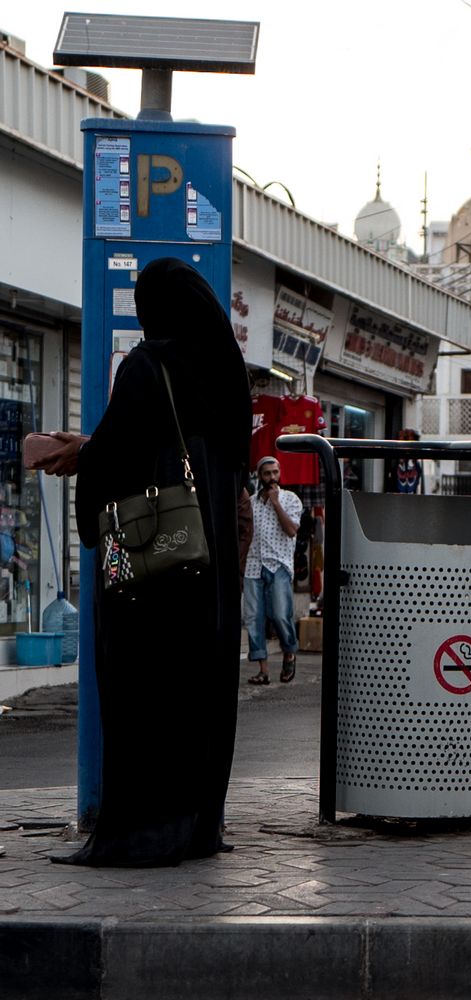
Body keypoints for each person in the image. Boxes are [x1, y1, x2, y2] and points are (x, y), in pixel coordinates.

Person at [38, 257, 251, 866]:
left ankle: (143, 834)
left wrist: (81, 453)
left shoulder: (147, 366)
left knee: (144, 686)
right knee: (202, 692)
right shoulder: (227, 373)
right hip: (208, 577)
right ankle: (196, 828)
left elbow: (118, 458)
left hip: (156, 573)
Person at [245, 456, 302, 685]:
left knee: (280, 614)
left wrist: (276, 502)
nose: (271, 478)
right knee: (253, 619)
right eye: (267, 474)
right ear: (260, 476)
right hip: (252, 565)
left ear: (280, 473)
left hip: (278, 565)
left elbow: (291, 530)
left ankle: (289, 651)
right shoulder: (250, 503)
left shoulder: (291, 499)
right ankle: (263, 670)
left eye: (275, 473)